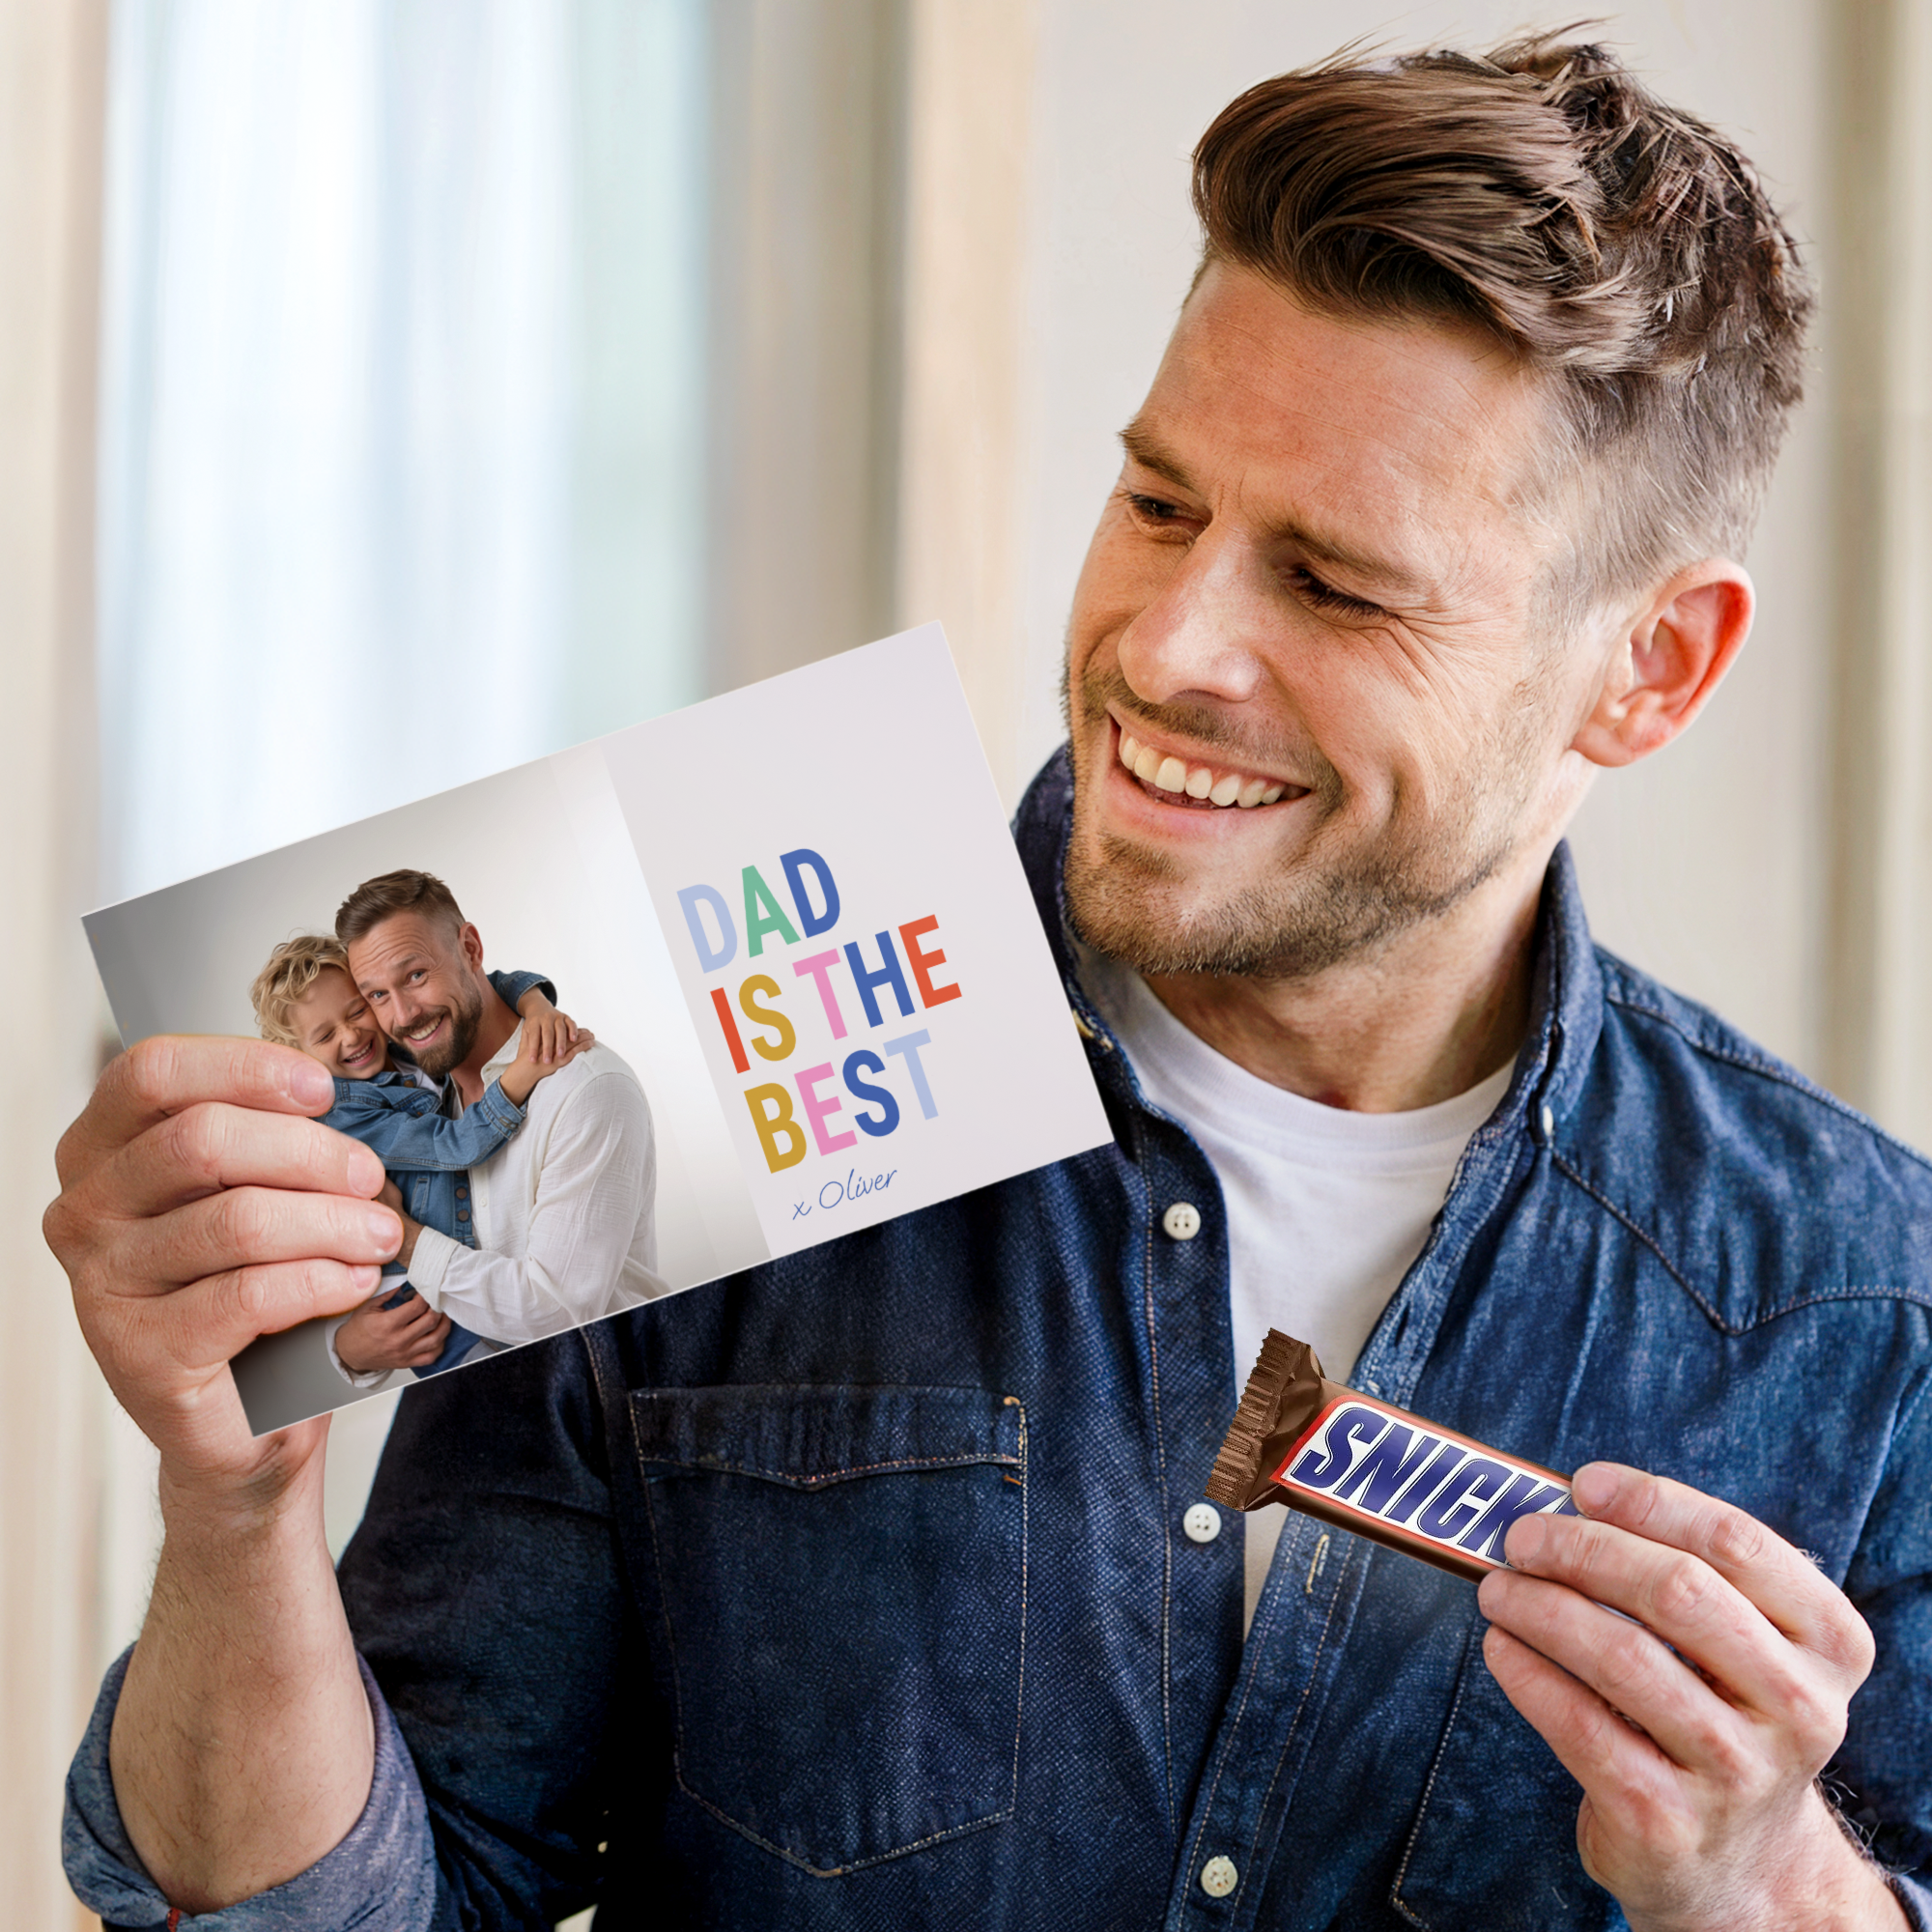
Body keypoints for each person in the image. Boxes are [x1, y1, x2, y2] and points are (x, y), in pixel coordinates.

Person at [47, 36, 1931, 1931]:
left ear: (1654, 671)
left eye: (1337, 586)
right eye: (1162, 503)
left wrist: (1768, 1880)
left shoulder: (1868, 1312)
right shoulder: (695, 1070)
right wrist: (238, 1507)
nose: (1168, 647)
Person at [246, 933, 591, 1379]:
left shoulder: (403, 1047)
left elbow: (484, 988)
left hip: (464, 1265)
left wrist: (536, 1006)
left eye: (357, 1011)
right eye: (326, 1034)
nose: (351, 1035)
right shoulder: (344, 1115)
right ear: (299, 1058)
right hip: (418, 1299)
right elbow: (453, 1144)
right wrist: (522, 1074)